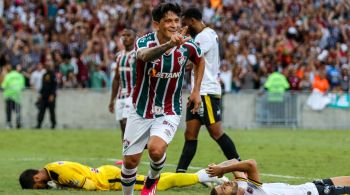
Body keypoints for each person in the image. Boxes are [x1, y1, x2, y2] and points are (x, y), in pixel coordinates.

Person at [121, 3, 205, 195]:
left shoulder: (188, 45)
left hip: (170, 108)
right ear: (156, 24)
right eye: (168, 21)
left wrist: (196, 90)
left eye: (176, 20)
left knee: (156, 150)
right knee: (130, 162)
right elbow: (142, 56)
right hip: (141, 109)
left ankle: (152, 180)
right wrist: (169, 45)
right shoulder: (144, 42)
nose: (174, 25)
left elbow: (200, 60)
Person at [176, 7, 240, 174]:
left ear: (191, 20)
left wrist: (182, 42)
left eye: (185, 23)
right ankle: (180, 172)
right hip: (198, 92)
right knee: (190, 134)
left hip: (205, 91)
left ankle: (241, 167)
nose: (184, 26)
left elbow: (191, 61)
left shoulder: (204, 37)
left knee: (216, 133)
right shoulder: (208, 34)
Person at [19, 161, 226, 191]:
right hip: (106, 173)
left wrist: (62, 188)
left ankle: (206, 175)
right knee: (156, 182)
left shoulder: (59, 173)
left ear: (37, 178)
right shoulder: (52, 168)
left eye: (39, 188)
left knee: (157, 185)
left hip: (111, 178)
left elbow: (89, 187)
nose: (42, 189)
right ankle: (206, 176)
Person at [207, 158, 350, 195]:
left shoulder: (241, 185)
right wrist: (222, 170)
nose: (226, 184)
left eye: (223, 184)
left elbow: (233, 162)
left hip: (311, 186)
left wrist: (219, 169)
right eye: (224, 189)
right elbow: (251, 164)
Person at [108, 28, 137, 140]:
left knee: (126, 123)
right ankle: (127, 155)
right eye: (123, 35)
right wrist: (112, 100)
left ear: (134, 38)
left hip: (133, 95)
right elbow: (116, 79)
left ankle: (133, 153)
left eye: (128, 35)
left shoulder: (137, 55)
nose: (125, 37)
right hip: (121, 96)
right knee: (122, 127)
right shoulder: (119, 56)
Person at [1, 64, 25, 129]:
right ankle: (18, 123)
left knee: (9, 111)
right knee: (17, 110)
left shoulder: (8, 76)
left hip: (9, 96)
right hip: (17, 97)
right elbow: (22, 86)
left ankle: (9, 124)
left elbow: (3, 86)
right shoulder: (20, 76)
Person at [35, 63, 57, 129]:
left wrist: (52, 95)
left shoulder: (53, 75)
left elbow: (54, 86)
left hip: (50, 97)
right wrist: (40, 94)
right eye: (47, 66)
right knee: (41, 111)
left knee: (51, 111)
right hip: (44, 96)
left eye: (49, 66)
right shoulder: (44, 75)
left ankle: (53, 125)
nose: (47, 67)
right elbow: (43, 86)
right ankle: (39, 124)